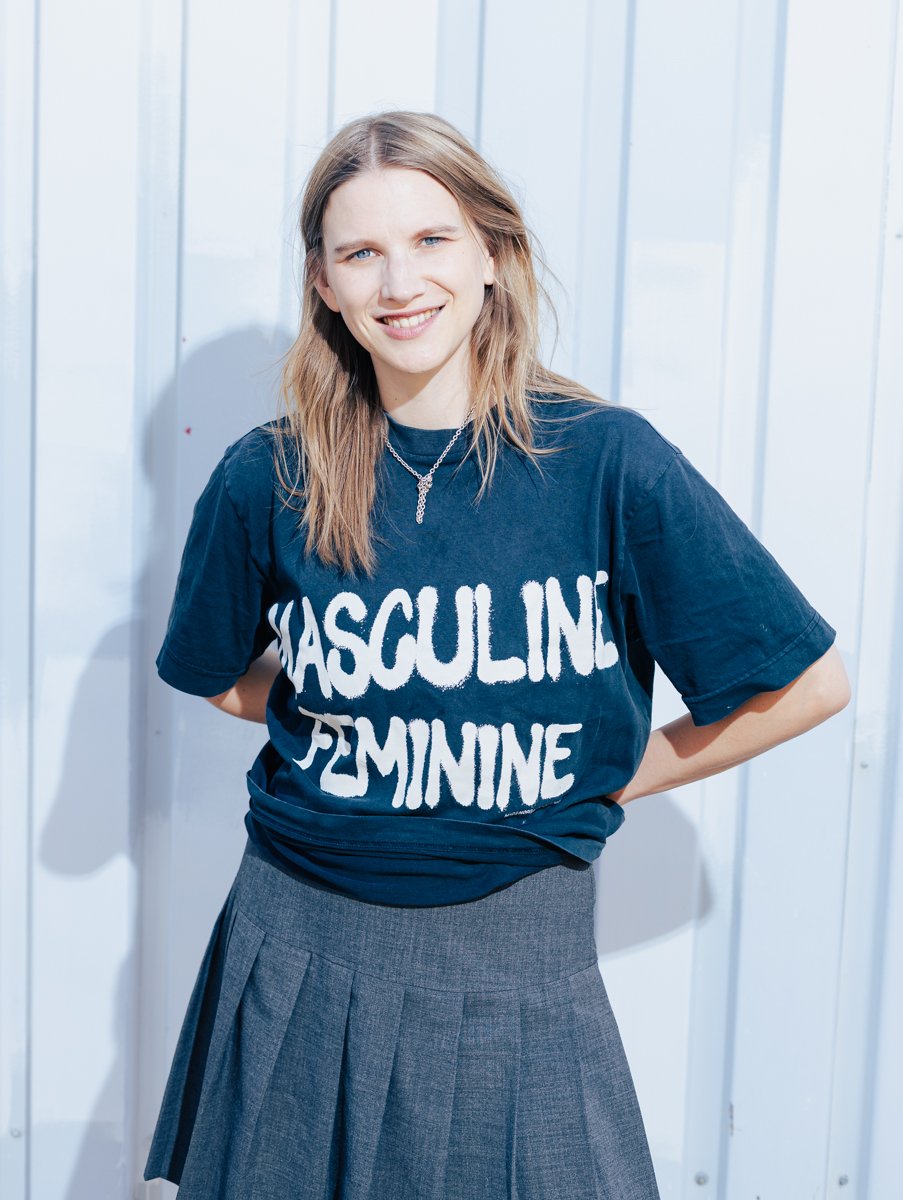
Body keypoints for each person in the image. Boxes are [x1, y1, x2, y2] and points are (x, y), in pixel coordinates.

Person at [143, 111, 850, 1199]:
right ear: (323, 284)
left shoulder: (607, 462)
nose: (399, 281)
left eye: (431, 240)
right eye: (360, 251)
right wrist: (376, 695)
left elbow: (809, 684)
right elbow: (222, 676)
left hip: (516, 963)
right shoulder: (269, 474)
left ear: (492, 255)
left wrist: (620, 772)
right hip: (294, 944)